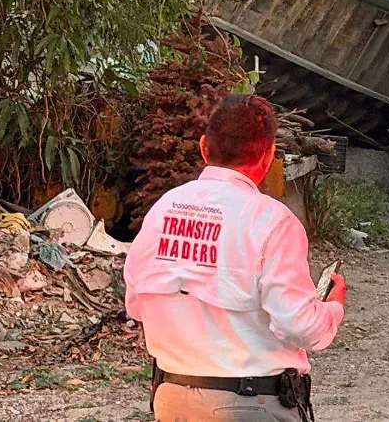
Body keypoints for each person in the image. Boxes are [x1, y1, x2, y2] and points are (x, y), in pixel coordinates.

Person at [124, 94, 347, 422]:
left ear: (203, 147)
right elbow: (300, 326)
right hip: (250, 404)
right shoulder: (272, 222)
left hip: (172, 399)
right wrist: (333, 308)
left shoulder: (163, 210)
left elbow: (136, 303)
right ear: (269, 155)